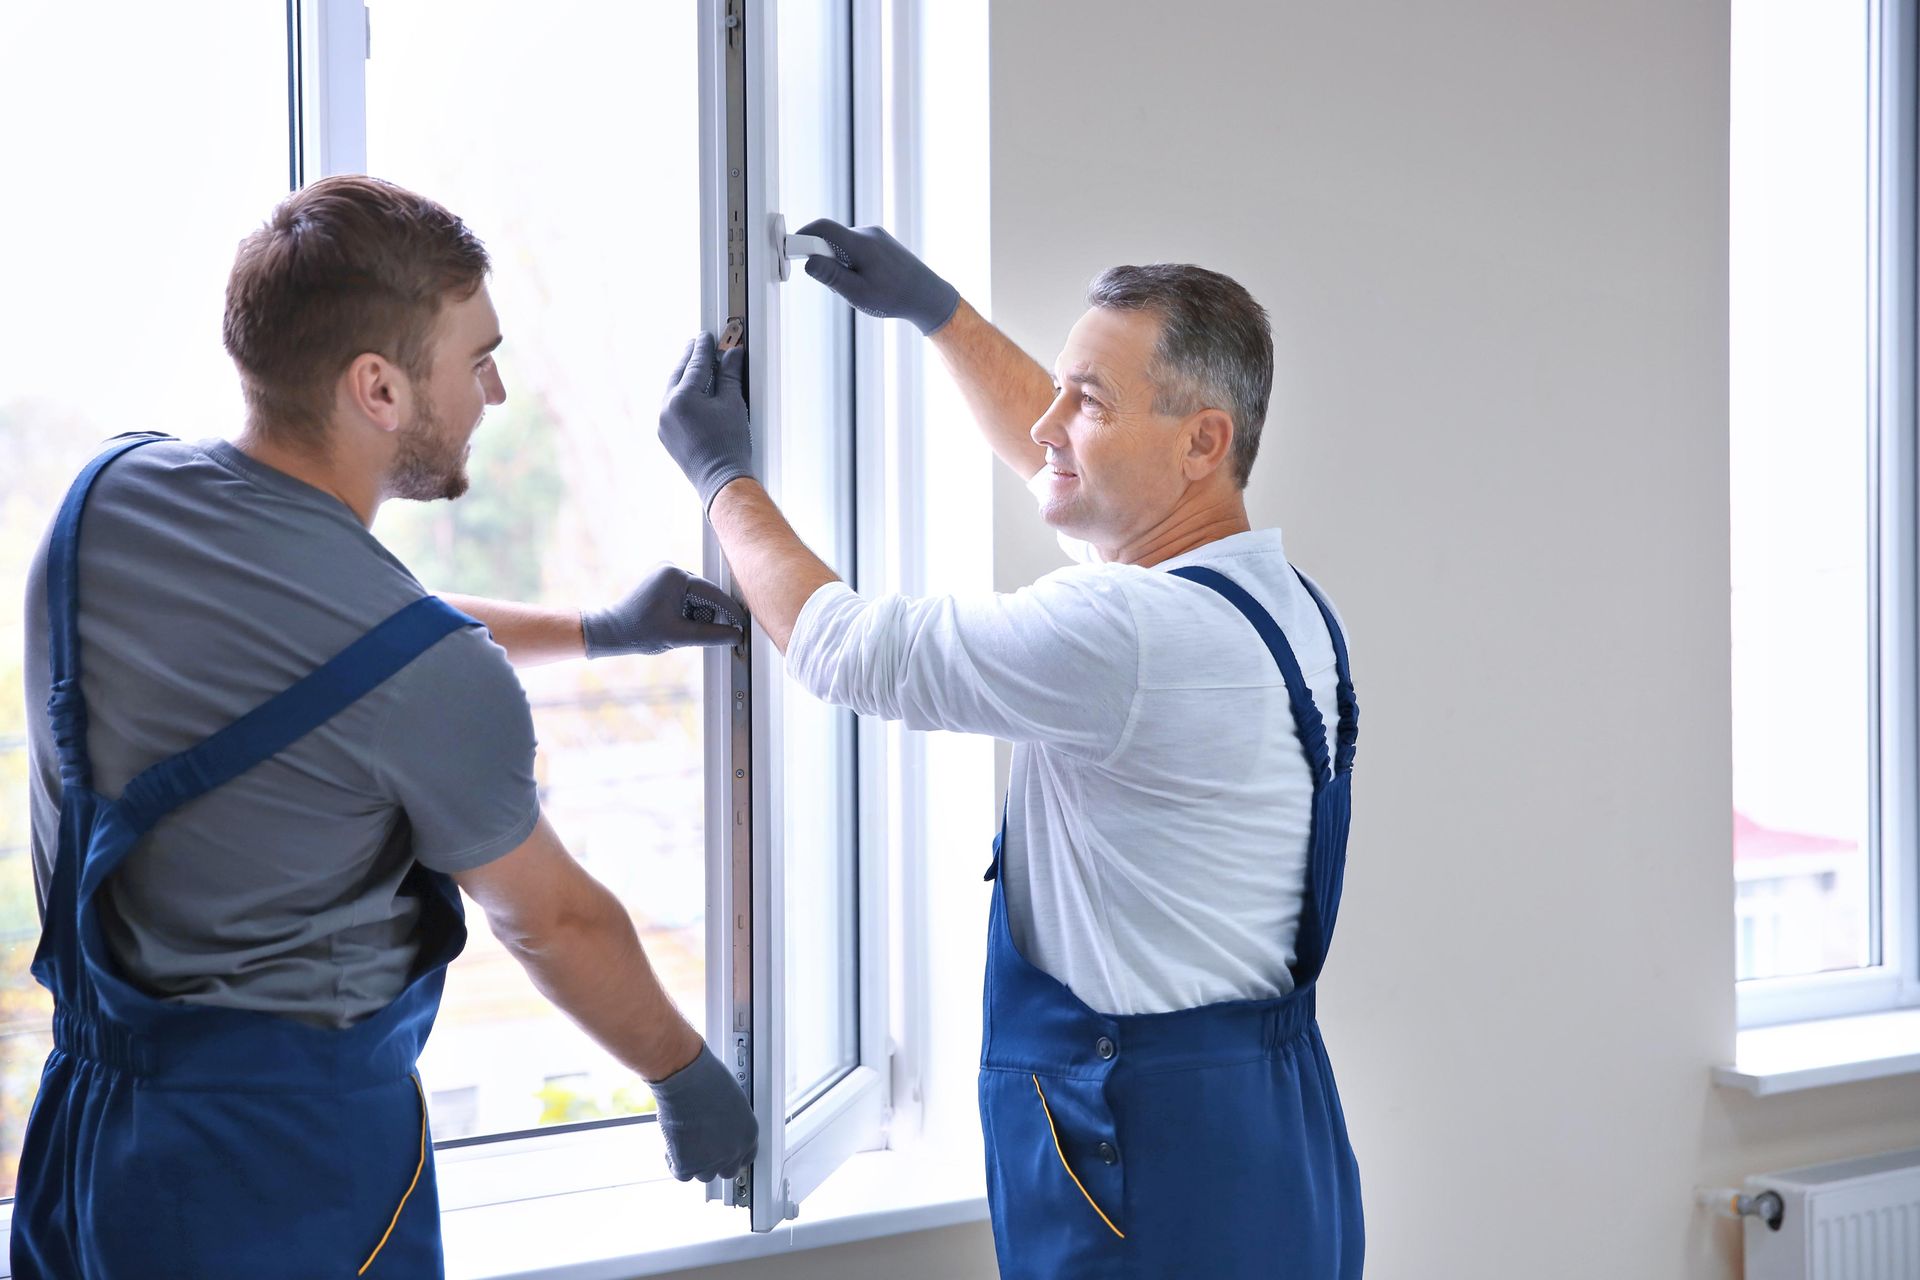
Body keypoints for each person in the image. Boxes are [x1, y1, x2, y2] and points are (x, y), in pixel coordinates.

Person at [15, 175, 755, 1280]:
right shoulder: (431, 678)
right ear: (379, 388)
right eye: (477, 358)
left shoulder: (107, 502)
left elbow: (345, 644)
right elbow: (555, 920)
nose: (494, 391)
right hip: (279, 1183)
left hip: (81, 1151)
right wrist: (685, 1074)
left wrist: (596, 631)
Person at [654, 220, 1364, 1278]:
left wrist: (721, 477)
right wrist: (937, 312)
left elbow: (850, 649)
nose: (1048, 422)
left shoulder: (1128, 636)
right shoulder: (1277, 603)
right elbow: (1085, 482)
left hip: (1152, 1173)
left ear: (1204, 441)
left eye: (1089, 398)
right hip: (1274, 1151)